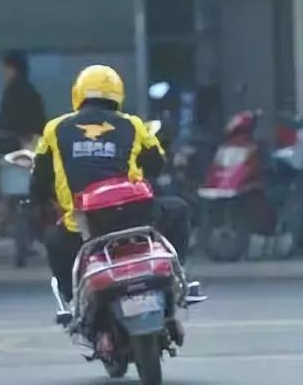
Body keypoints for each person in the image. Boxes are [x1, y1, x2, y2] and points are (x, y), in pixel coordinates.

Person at [30, 65, 192, 303]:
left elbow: (40, 176)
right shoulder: (134, 125)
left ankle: (73, 301)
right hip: (134, 221)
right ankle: (176, 279)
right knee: (179, 209)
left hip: (82, 228)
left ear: (78, 93)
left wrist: (38, 200)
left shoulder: (55, 129)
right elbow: (156, 163)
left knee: (54, 241)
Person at [0, 51, 48, 253]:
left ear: (12, 68)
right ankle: (1, 235)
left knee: (12, 193)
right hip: (33, 147)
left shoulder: (13, 92)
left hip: (18, 149)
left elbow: (8, 122)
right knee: (23, 195)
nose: (3, 73)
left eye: (5, 68)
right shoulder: (30, 92)